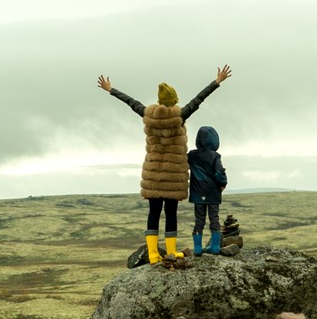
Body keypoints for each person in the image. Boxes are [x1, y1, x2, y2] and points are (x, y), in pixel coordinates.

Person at [97, 66, 232, 263]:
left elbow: (131, 103)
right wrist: (217, 81)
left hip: (153, 173)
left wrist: (111, 89)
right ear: (174, 101)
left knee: (153, 212)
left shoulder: (148, 115)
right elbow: (198, 100)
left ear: (160, 101)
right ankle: (170, 251)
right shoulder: (179, 117)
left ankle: (152, 254)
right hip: (172, 177)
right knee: (170, 213)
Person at [187, 126, 228, 255]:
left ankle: (197, 249)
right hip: (213, 192)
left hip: (197, 192)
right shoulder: (215, 156)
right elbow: (219, 172)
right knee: (214, 218)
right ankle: (215, 247)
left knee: (199, 220)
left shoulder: (192, 155)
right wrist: (223, 184)